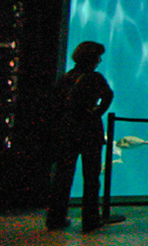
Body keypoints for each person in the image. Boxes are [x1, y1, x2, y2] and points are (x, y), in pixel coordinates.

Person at [46, 41, 114, 232]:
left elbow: (55, 103)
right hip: (89, 130)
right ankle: (90, 220)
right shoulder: (95, 78)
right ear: (91, 58)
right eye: (98, 57)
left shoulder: (66, 77)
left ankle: (55, 218)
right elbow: (108, 96)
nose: (100, 60)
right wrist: (96, 112)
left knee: (63, 176)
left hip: (67, 130)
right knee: (91, 177)